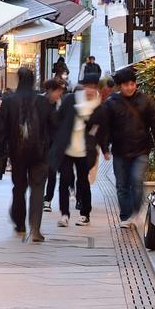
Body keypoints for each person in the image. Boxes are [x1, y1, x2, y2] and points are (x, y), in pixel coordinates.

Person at [97, 65, 155, 228]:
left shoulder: (145, 100)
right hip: (120, 150)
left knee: (137, 180)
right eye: (126, 85)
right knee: (122, 184)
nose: (130, 87)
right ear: (120, 86)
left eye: (133, 84)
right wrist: (104, 148)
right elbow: (105, 127)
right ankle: (126, 216)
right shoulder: (112, 103)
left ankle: (136, 211)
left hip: (141, 149)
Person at [0, 68, 53, 242]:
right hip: (40, 153)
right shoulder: (43, 102)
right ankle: (35, 227)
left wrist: (0, 154)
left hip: (17, 152)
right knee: (37, 189)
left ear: (19, 79)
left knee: (19, 187)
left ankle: (20, 223)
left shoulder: (8, 102)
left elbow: (0, 131)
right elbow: (53, 127)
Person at [49, 73, 105, 227]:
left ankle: (85, 214)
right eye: (87, 86)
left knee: (83, 182)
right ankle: (64, 214)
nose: (90, 90)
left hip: (85, 150)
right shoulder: (70, 100)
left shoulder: (98, 107)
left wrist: (105, 148)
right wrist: (57, 137)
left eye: (93, 87)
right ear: (83, 86)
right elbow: (57, 118)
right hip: (67, 148)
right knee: (65, 181)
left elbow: (102, 130)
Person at [41, 78, 66, 213]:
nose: (59, 94)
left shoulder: (61, 104)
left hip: (55, 145)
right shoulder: (41, 103)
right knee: (42, 173)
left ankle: (47, 199)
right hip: (41, 144)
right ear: (50, 90)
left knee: (52, 172)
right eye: (58, 91)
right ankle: (41, 197)